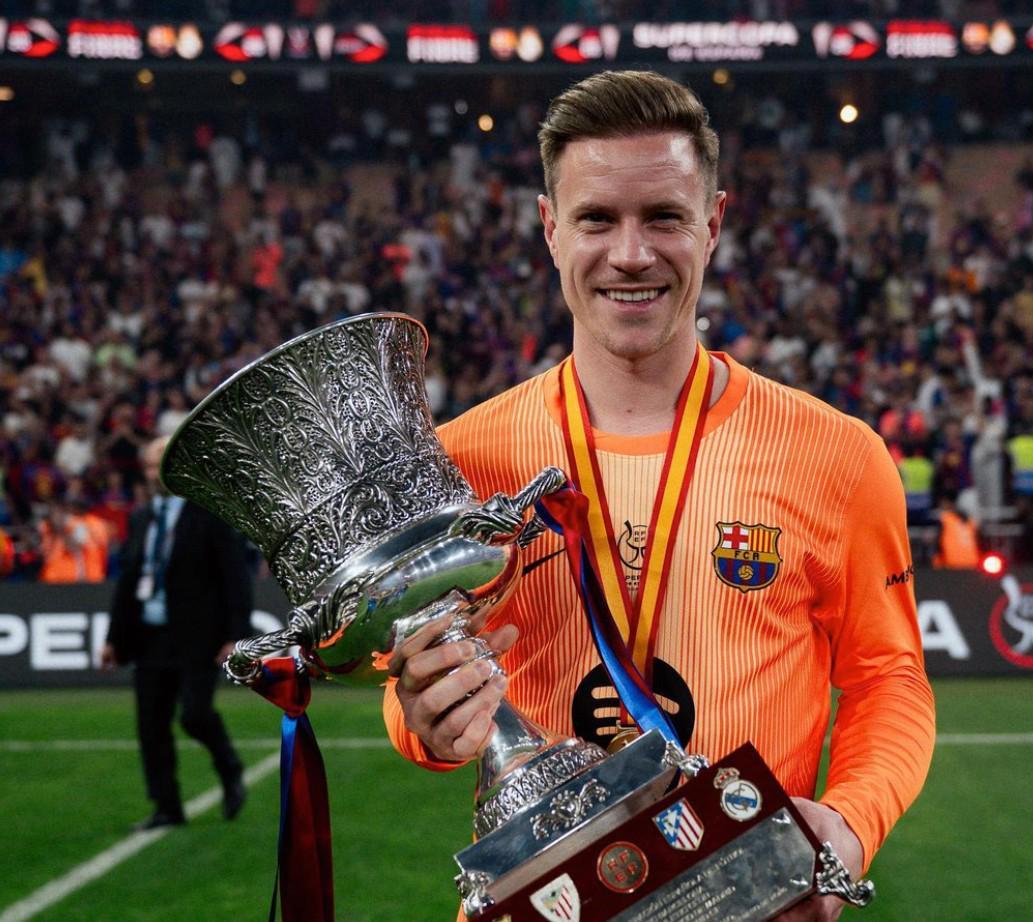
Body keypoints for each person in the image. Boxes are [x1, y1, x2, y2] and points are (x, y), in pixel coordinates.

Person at [382, 71, 935, 921]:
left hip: (751, 902)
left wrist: (851, 823)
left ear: (713, 224)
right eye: (597, 219)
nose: (632, 254)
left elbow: (888, 677)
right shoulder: (458, 462)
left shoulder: (836, 455)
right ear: (550, 228)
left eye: (665, 217)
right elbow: (414, 691)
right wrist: (422, 719)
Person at [101, 435, 252, 830]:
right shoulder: (142, 517)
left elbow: (235, 577)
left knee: (195, 714)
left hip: (198, 637)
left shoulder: (209, 513)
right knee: (151, 726)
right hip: (149, 636)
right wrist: (113, 639)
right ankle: (166, 806)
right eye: (149, 467)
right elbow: (128, 582)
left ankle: (229, 767)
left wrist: (236, 635)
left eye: (160, 464)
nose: (154, 473)